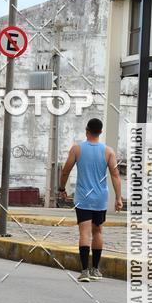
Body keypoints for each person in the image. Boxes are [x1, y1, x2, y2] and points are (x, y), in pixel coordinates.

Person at [59, 117, 122, 282]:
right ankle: (95, 269)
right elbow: (115, 175)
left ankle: (84, 271)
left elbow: (65, 171)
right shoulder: (108, 151)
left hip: (83, 198)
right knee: (98, 231)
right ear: (100, 132)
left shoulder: (77, 149)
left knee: (84, 233)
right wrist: (118, 198)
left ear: (86, 131)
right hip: (101, 198)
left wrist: (62, 188)